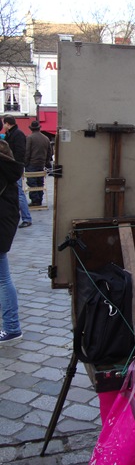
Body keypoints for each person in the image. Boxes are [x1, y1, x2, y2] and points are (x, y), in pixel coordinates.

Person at [0, 139, 24, 344]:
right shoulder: (6, 158)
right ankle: (11, 325)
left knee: (2, 278)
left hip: (2, 223)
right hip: (5, 222)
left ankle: (12, 326)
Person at [3, 115, 32, 228]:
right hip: (12, 168)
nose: (4, 126)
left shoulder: (17, 134)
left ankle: (26, 218)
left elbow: (20, 152)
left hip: (14, 168)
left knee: (19, 193)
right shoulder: (11, 134)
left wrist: (15, 166)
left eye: (4, 124)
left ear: (7, 123)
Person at [25, 120, 52, 206]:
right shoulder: (46, 138)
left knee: (32, 183)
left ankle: (35, 200)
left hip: (32, 164)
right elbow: (49, 152)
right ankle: (39, 199)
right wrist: (46, 162)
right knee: (40, 183)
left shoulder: (30, 138)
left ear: (31, 129)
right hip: (41, 164)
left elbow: (27, 152)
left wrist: (25, 163)